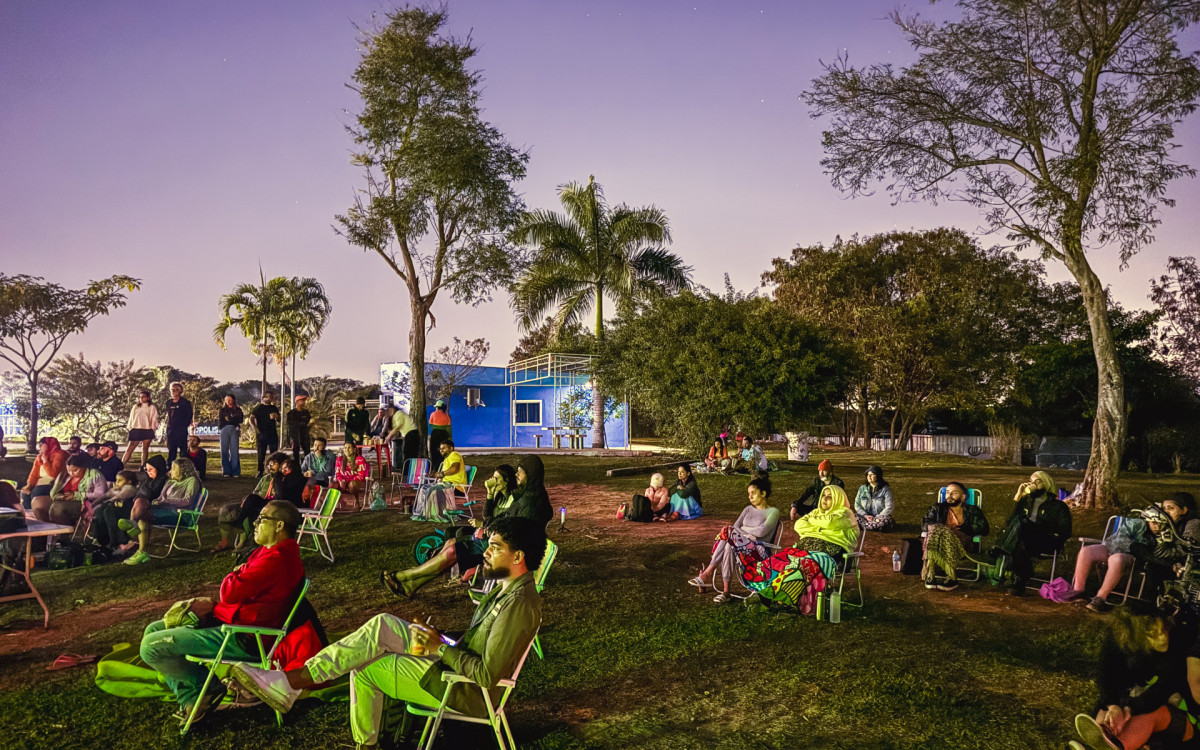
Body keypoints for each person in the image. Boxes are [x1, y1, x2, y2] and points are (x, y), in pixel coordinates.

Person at [229, 515, 544, 750]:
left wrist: (440, 648)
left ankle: (300, 690)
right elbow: (477, 645)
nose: (485, 553)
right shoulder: (506, 590)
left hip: (462, 690)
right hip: (451, 664)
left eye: (495, 548)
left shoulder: (518, 604)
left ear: (518, 557)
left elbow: (487, 675)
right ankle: (292, 682)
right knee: (382, 624)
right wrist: (441, 636)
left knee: (364, 668)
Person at [139, 500, 304, 724]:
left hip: (244, 636)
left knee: (151, 648)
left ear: (279, 526)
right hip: (236, 624)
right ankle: (198, 694)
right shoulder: (270, 553)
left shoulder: (276, 560)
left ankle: (202, 691)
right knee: (154, 628)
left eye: (262, 519)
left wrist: (236, 573)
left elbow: (229, 591)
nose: (255, 523)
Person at [1070, 603, 1197, 750]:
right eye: (1153, 634)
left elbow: (1165, 688)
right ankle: (1104, 737)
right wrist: (1113, 706)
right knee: (1108, 712)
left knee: (1145, 715)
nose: (1162, 637)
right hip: (1143, 701)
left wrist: (1129, 710)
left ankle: (1104, 743)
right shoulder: (1122, 640)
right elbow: (1106, 673)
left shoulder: (1180, 642)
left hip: (1181, 717)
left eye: (1163, 629)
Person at [381, 464, 521, 598]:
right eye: (493, 477)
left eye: (496, 479)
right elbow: (487, 516)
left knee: (452, 551)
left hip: (491, 546)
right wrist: (490, 494)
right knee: (450, 541)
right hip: (484, 537)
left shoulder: (514, 501)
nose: (492, 480)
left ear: (507, 481)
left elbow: (503, 525)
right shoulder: (499, 497)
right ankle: (411, 586)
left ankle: (405, 576)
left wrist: (484, 525)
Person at [740, 487, 857, 617]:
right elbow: (798, 524)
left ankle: (777, 603)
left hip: (827, 554)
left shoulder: (845, 513)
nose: (825, 498)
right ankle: (764, 595)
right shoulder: (816, 512)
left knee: (799, 567)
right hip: (802, 549)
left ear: (838, 499)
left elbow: (830, 522)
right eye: (824, 495)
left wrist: (812, 524)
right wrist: (819, 526)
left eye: (830, 497)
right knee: (775, 561)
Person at [688, 476, 781, 603]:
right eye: (748, 494)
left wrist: (743, 530)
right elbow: (736, 526)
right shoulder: (748, 509)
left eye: (753, 493)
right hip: (741, 546)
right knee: (728, 545)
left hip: (759, 551)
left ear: (763, 493)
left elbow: (761, 532)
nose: (750, 497)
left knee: (727, 530)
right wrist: (745, 533)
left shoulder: (773, 512)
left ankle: (708, 573)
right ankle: (726, 592)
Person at [994, 471, 1072, 596]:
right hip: (1025, 539)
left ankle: (1001, 548)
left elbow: (1065, 530)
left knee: (1022, 523)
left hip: (1045, 539)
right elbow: (1009, 521)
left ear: (1046, 483)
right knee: (1021, 537)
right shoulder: (1026, 501)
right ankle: (1020, 579)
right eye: (1031, 481)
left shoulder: (1059, 506)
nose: (1033, 484)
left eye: (1038, 481)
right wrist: (1018, 496)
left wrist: (1047, 530)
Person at [1125, 495, 1200, 611]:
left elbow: (1185, 550)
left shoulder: (1193, 523)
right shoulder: (1168, 523)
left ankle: (1152, 606)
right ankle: (1152, 605)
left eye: (1171, 508)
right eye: (1164, 509)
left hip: (1188, 565)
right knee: (1137, 548)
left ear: (1183, 510)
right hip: (1171, 564)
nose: (1166, 512)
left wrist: (1166, 552)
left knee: (1154, 565)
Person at [123, 457, 202, 565]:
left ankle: (140, 549)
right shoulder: (171, 481)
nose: (170, 471)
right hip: (163, 510)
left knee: (143, 517)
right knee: (141, 507)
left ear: (183, 470)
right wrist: (157, 501)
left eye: (174, 468)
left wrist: (166, 501)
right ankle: (135, 537)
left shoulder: (192, 481)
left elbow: (187, 501)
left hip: (179, 515)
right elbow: (161, 497)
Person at [921, 482, 990, 592]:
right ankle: (950, 577)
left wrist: (958, 530)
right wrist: (945, 531)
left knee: (940, 532)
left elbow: (984, 528)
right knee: (938, 531)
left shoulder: (972, 511)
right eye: (947, 492)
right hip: (939, 540)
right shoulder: (937, 508)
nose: (949, 495)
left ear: (963, 497)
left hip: (963, 542)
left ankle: (931, 573)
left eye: (954, 493)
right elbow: (925, 525)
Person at [213, 452, 285, 552]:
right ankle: (224, 541)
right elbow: (254, 492)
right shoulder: (265, 479)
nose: (270, 466)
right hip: (252, 502)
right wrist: (246, 500)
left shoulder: (282, 481)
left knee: (248, 515)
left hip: (265, 507)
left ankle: (242, 543)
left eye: (274, 464)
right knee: (225, 509)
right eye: (270, 464)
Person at [42, 453, 108, 526]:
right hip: (63, 500)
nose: (71, 473)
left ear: (83, 467)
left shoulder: (94, 475)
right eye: (69, 470)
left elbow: (101, 494)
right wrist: (60, 496)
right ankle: (47, 531)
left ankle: (66, 531)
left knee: (57, 507)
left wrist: (76, 495)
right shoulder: (64, 475)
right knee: (39, 503)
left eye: (75, 470)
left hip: (85, 503)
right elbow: (54, 492)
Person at [410, 439, 468, 522]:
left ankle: (436, 514)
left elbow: (454, 468)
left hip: (456, 486)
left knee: (431, 489)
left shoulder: (454, 454)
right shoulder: (446, 459)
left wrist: (441, 474)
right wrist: (434, 475)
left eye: (444, 448)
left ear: (451, 448)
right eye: (440, 449)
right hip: (446, 483)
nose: (441, 450)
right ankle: (422, 513)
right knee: (424, 488)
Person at [91, 470, 139, 549]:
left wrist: (107, 501)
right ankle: (100, 538)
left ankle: (118, 541)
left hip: (128, 512)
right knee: (100, 511)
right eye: (116, 480)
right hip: (116, 511)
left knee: (108, 510)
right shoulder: (117, 489)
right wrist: (93, 505)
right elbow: (104, 496)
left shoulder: (130, 488)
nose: (117, 482)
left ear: (129, 481)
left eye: (120, 480)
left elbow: (119, 496)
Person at [20, 436, 67, 510]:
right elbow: (33, 475)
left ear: (49, 445)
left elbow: (53, 474)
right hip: (40, 484)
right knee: (25, 492)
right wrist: (29, 486)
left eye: (42, 445)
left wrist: (45, 461)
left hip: (56, 485)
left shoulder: (60, 455)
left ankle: (39, 514)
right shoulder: (39, 457)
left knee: (37, 491)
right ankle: (30, 514)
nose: (39, 447)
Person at [853, 465, 895, 531]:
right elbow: (857, 505)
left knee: (886, 519)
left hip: (880, 518)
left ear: (878, 476)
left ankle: (865, 527)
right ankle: (872, 526)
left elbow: (889, 507)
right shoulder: (862, 488)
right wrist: (865, 516)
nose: (869, 477)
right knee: (853, 516)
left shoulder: (886, 489)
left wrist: (877, 517)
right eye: (868, 475)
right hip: (865, 518)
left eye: (872, 474)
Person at [123, 389, 159, 465]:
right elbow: (131, 418)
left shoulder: (152, 407)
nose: (141, 399)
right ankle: (121, 465)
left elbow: (154, 419)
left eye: (143, 397)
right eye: (140, 397)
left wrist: (153, 429)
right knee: (130, 449)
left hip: (147, 430)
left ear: (148, 398)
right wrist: (130, 428)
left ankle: (143, 467)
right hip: (136, 429)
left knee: (145, 449)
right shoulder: (135, 407)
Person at [251, 392, 281, 477]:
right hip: (262, 434)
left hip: (272, 433)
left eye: (270, 397)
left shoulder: (274, 408)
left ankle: (273, 471)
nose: (268, 398)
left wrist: (276, 416)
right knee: (261, 454)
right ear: (263, 398)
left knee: (274, 454)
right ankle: (260, 471)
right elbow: (251, 418)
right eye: (267, 397)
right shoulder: (258, 408)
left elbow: (279, 420)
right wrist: (255, 428)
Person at [383, 403, 420, 473]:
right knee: (409, 452)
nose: (388, 412)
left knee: (409, 453)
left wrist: (389, 437)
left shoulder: (399, 414)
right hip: (409, 434)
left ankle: (407, 471)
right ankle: (409, 470)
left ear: (392, 409)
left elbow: (398, 426)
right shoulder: (396, 416)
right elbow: (397, 429)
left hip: (411, 433)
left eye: (389, 410)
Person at [164, 381, 194, 466]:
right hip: (171, 430)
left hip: (181, 430)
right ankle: (170, 467)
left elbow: (189, 416)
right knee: (171, 450)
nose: (174, 391)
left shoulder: (185, 403)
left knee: (183, 450)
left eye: (176, 389)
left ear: (180, 391)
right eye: (172, 389)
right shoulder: (169, 403)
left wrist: (183, 426)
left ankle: (184, 468)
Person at [331, 443, 370, 508]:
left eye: (349, 448)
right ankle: (340, 501)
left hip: (357, 482)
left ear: (354, 450)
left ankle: (357, 500)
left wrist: (348, 481)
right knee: (332, 485)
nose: (347, 450)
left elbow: (361, 475)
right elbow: (337, 473)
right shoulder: (339, 459)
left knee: (352, 484)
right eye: (345, 448)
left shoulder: (360, 459)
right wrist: (341, 480)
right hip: (344, 481)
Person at [217, 394, 245, 477]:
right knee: (224, 450)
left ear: (233, 400)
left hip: (234, 429)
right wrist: (229, 421)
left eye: (230, 399)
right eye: (226, 400)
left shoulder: (237, 410)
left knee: (234, 450)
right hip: (224, 429)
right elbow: (221, 422)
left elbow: (240, 420)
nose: (228, 401)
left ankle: (235, 471)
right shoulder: (222, 410)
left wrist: (231, 419)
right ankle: (226, 471)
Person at [286, 395, 312, 462]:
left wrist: (309, 425)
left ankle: (306, 465)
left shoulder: (306, 412)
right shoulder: (292, 413)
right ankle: (296, 465)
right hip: (295, 435)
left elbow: (309, 422)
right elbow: (291, 424)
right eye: (302, 401)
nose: (304, 402)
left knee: (307, 450)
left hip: (304, 435)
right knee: (296, 451)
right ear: (297, 402)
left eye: (304, 401)